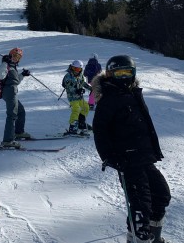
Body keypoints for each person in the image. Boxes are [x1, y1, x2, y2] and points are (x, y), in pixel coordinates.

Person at [92, 55, 171, 243]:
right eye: (119, 73)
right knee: (140, 206)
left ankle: (154, 236)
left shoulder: (133, 93)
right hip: (127, 161)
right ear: (111, 74)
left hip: (144, 156)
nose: (124, 77)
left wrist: (152, 148)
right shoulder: (108, 99)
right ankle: (138, 238)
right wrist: (109, 157)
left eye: (128, 72)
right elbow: (100, 131)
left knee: (161, 194)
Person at [0, 47, 31, 148]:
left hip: (12, 91)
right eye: (15, 56)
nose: (16, 58)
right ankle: (8, 140)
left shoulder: (12, 66)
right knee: (12, 115)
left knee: (21, 111)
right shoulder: (7, 65)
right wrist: (4, 63)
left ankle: (18, 132)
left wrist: (23, 75)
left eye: (18, 57)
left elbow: (15, 81)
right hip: (9, 92)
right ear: (10, 55)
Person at [61, 60, 92, 134]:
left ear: (81, 69)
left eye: (78, 69)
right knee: (76, 109)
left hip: (79, 97)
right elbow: (67, 86)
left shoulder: (80, 75)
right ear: (71, 67)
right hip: (72, 97)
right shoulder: (68, 76)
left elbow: (82, 83)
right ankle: (73, 126)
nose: (76, 71)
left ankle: (81, 123)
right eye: (74, 68)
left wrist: (91, 88)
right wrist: (77, 90)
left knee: (86, 107)